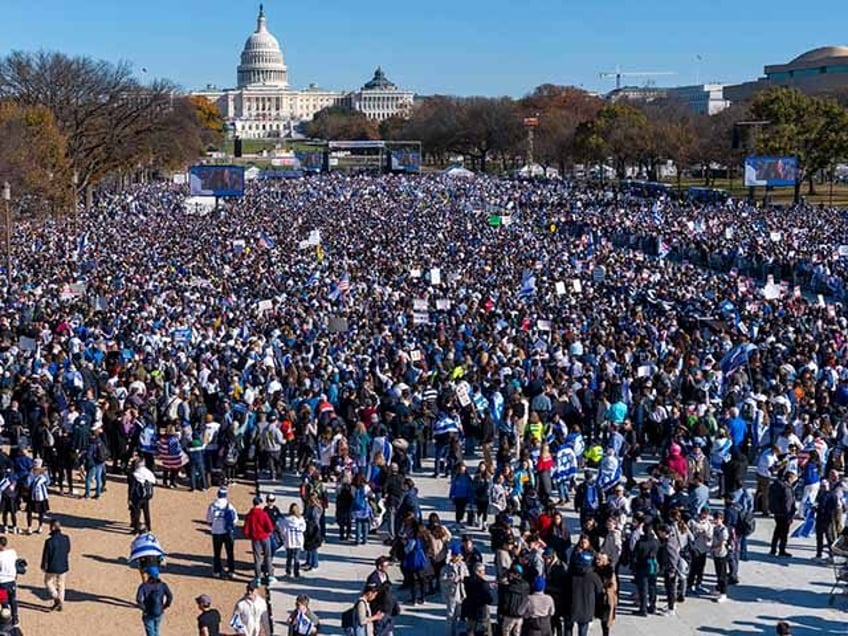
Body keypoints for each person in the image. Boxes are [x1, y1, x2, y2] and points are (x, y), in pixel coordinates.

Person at [564, 549, 602, 636]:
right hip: (587, 609)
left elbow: (564, 590)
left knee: (568, 629)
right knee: (583, 631)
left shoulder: (570, 575)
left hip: (571, 607)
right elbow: (599, 592)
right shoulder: (594, 576)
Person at [206, 487, 238, 579]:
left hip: (216, 531)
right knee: (230, 552)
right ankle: (231, 571)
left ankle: (217, 571)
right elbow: (235, 519)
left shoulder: (212, 505)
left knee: (217, 553)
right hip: (227, 532)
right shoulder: (229, 505)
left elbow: (209, 519)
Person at [244, 495, 276, 584]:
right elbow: (270, 527)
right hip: (265, 537)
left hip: (255, 538)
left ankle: (257, 577)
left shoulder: (250, 515)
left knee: (257, 558)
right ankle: (269, 576)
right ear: (260, 503)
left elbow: (246, 530)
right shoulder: (263, 514)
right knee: (268, 556)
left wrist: (251, 535)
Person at [40, 519, 71, 611]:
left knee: (48, 582)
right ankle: (61, 602)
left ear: (52, 527)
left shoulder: (49, 541)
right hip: (63, 564)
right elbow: (68, 550)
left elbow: (46, 555)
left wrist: (43, 565)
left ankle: (56, 598)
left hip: (52, 565)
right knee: (61, 584)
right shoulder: (66, 538)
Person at [136, 565, 173, 636]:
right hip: (159, 611)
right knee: (156, 629)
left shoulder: (143, 586)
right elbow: (170, 597)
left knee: (150, 632)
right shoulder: (163, 585)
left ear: (148, 575)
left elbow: (138, 599)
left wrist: (144, 609)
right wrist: (164, 606)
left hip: (148, 612)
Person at [768, 470, 798, 557]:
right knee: (784, 533)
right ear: (790, 478)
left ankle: (773, 549)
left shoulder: (777, 485)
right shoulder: (787, 488)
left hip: (777, 512)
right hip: (785, 514)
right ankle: (782, 549)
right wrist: (789, 515)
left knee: (777, 531)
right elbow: (787, 503)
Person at [632, 523, 659, 616]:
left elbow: (635, 556)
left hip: (642, 567)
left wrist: (634, 567)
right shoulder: (655, 542)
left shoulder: (640, 543)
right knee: (652, 587)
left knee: (643, 589)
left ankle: (643, 609)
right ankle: (652, 606)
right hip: (653, 567)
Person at [440, 543, 468, 636]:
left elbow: (467, 576)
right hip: (452, 594)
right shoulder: (447, 567)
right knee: (451, 616)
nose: (460, 557)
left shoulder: (463, 565)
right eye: (458, 555)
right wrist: (452, 580)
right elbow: (443, 581)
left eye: (460, 555)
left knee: (459, 616)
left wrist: (464, 579)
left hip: (462, 594)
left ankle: (456, 633)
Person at [462, 562, 493, 636]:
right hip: (481, 610)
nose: (484, 572)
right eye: (482, 571)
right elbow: (489, 599)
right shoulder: (483, 583)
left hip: (470, 608)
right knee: (486, 630)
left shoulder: (467, 581)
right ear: (477, 572)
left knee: (470, 630)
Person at [128, 457, 156, 533]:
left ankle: (136, 528)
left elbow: (132, 488)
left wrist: (129, 498)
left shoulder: (135, 474)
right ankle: (148, 526)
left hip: (137, 497)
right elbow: (153, 482)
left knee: (137, 512)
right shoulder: (148, 472)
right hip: (146, 496)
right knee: (146, 512)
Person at [283, 503, 307, 578]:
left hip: (289, 541)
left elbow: (283, 530)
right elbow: (303, 529)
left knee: (289, 557)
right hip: (298, 541)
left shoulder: (286, 520)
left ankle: (288, 572)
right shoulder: (301, 520)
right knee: (297, 558)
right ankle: (296, 573)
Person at [711, 510, 730, 603]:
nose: (715, 521)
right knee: (718, 573)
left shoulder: (723, 529)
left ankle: (723, 593)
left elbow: (723, 542)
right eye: (715, 519)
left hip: (722, 553)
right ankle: (718, 589)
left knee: (722, 574)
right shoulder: (715, 528)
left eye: (717, 519)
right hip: (715, 553)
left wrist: (715, 547)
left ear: (722, 519)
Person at [0, 537, 19, 626]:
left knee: (4, 602)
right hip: (11, 581)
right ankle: (16, 619)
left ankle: (6, 620)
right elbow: (16, 564)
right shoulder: (12, 552)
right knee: (13, 601)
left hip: (2, 583)